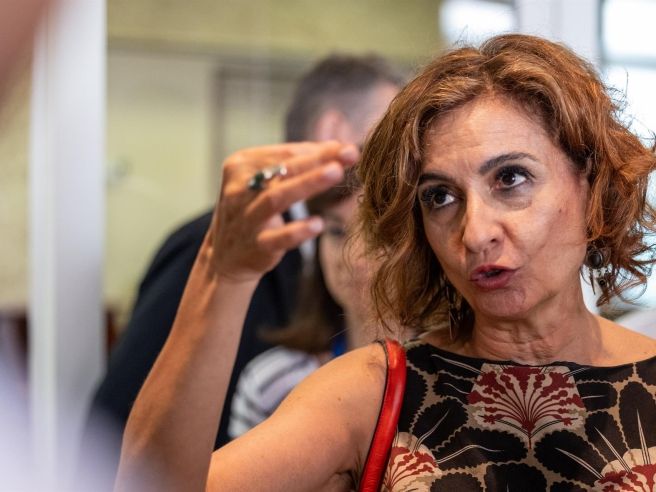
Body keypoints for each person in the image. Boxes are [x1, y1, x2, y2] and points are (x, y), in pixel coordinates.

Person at [115, 34, 656, 491]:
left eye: (511, 178)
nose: (474, 232)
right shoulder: (376, 393)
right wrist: (222, 273)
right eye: (440, 196)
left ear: (591, 185)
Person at [83, 53, 402, 468]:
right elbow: (117, 423)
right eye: (390, 135)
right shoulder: (215, 248)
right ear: (333, 133)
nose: (404, 156)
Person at [228, 167, 386, 439]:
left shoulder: (453, 375)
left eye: (377, 234)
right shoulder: (272, 384)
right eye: (336, 232)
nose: (353, 259)